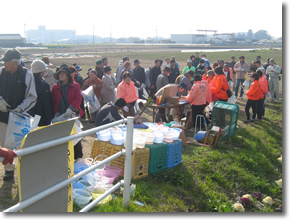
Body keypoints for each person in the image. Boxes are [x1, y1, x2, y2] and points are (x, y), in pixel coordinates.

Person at [0, 49, 37, 181]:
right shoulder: (1, 72)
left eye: (7, 62)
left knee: (21, 143)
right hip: (3, 114)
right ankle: (9, 169)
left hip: (19, 116)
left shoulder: (27, 74)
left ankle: (26, 169)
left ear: (16, 62)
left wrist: (20, 109)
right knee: (4, 142)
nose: (5, 64)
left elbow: (32, 96)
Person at [51, 66, 84, 160]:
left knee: (75, 134)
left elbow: (78, 98)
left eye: (63, 74)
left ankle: (78, 156)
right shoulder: (55, 87)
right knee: (61, 136)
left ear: (68, 75)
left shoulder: (75, 86)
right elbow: (53, 101)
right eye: (59, 74)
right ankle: (64, 157)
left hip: (71, 114)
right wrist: (54, 114)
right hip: (59, 115)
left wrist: (71, 108)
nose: (61, 76)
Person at [28, 60, 53, 126]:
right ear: (41, 71)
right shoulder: (43, 85)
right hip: (43, 115)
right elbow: (48, 100)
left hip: (33, 115)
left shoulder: (29, 83)